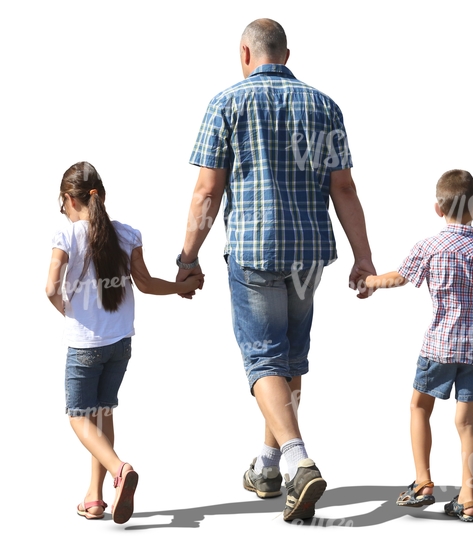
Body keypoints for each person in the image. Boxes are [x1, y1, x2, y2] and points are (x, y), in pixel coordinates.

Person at [175, 18, 374, 521]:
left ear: (246, 54)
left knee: (264, 359)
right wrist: (363, 257)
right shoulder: (324, 105)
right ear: (286, 54)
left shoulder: (227, 103)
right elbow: (344, 189)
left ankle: (298, 460)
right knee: (289, 359)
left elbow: (206, 191)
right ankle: (268, 466)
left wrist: (188, 255)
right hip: (309, 253)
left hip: (255, 249)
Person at [46, 162, 203, 524]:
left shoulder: (66, 237)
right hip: (120, 345)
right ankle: (95, 497)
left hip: (85, 346)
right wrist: (183, 287)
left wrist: (69, 314)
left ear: (70, 199)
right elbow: (145, 284)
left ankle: (120, 470)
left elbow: (51, 288)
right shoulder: (128, 234)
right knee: (103, 413)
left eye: (62, 204)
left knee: (78, 417)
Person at [365, 169, 473, 522]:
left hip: (439, 344)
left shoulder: (429, 247)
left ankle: (424, 482)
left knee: (419, 407)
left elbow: (400, 277)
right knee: (468, 423)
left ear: (437, 209)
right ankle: (469, 500)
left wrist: (370, 281)